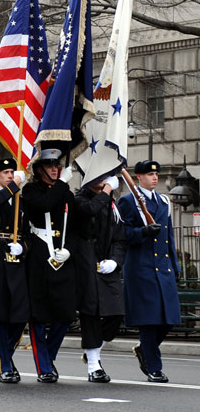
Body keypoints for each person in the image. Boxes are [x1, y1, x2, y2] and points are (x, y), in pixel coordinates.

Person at [118, 160, 181, 383]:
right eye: (149, 174)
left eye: (156, 174)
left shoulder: (164, 200)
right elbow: (122, 234)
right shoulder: (128, 201)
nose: (154, 177)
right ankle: (154, 367)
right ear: (139, 178)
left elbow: (168, 236)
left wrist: (175, 265)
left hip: (163, 268)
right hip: (141, 267)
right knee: (149, 320)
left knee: (169, 319)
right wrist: (142, 232)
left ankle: (145, 349)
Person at [22, 148, 77, 383]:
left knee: (65, 314)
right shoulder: (31, 190)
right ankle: (44, 366)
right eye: (50, 165)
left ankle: (48, 357)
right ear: (39, 168)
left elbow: (76, 226)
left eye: (58, 165)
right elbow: (44, 205)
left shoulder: (66, 193)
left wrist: (69, 249)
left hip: (61, 257)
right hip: (39, 257)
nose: (55, 169)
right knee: (39, 316)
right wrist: (63, 184)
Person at [0, 157, 29, 384]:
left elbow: (28, 230)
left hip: (16, 257)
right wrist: (14, 186)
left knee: (21, 313)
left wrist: (24, 246)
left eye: (12, 172)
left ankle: (7, 354)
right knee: (1, 314)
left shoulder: (20, 198)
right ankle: (5, 366)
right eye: (6, 172)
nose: (11, 175)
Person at [74, 176, 126, 383]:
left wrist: (115, 261)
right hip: (85, 264)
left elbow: (120, 237)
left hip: (106, 266)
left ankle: (92, 350)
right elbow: (89, 211)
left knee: (116, 313)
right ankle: (94, 365)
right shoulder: (80, 199)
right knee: (91, 314)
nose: (106, 180)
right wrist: (106, 190)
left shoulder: (112, 204)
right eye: (101, 176)